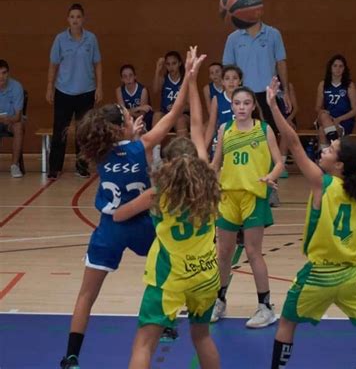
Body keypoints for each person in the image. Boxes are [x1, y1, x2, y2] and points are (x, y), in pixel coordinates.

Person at [58, 50, 194, 369]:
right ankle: (168, 323)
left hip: (109, 229)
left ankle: (71, 356)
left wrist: (128, 133)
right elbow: (174, 114)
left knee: (85, 296)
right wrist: (188, 76)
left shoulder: (100, 153)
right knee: (167, 268)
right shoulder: (141, 145)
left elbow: (121, 150)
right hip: (142, 224)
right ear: (122, 128)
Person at [266, 77, 356, 369]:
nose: (324, 150)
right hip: (353, 275)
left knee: (287, 324)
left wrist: (272, 105)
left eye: (330, 150)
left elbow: (292, 141)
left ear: (339, 165)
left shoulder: (323, 183)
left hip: (320, 274)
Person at [113, 48, 221, 369]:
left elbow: (120, 214)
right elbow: (199, 126)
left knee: (144, 342)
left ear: (168, 162)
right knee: (202, 337)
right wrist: (192, 77)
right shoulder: (210, 182)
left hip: (169, 278)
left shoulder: (159, 193)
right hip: (205, 274)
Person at [210, 85, 284, 328]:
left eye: (246, 103)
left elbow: (279, 162)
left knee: (253, 252)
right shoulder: (224, 129)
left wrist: (271, 175)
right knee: (223, 253)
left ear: (253, 106)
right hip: (228, 197)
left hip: (254, 197)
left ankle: (265, 307)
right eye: (237, 103)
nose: (241, 107)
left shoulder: (264, 129)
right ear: (231, 106)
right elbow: (216, 163)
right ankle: (219, 300)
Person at [46, 3, 103, 179]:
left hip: (86, 92)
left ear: (83, 19)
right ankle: (55, 167)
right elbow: (53, 65)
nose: (75, 20)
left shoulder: (91, 39)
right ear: (68, 20)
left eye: (78, 17)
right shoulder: (60, 39)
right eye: (72, 17)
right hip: (63, 91)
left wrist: (99, 86)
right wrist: (49, 87)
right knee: (60, 130)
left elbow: (97, 63)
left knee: (83, 131)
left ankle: (82, 166)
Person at [222, 20, 291, 133]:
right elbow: (228, 69)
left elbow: (281, 63)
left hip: (269, 94)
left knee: (272, 132)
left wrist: (286, 91)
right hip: (243, 94)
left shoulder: (273, 34)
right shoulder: (233, 38)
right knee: (245, 132)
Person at [315, 54, 356, 152]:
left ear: (344, 68)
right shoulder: (323, 84)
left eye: (341, 66)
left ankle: (327, 158)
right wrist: (327, 116)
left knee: (322, 131)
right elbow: (317, 107)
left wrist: (339, 119)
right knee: (323, 115)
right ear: (330, 68)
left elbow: (355, 110)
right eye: (335, 66)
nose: (337, 69)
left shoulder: (349, 85)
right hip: (328, 119)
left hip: (344, 120)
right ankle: (335, 145)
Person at [204, 65, 242, 154]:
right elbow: (211, 125)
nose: (231, 81)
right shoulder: (217, 99)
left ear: (240, 81)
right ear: (222, 82)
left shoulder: (246, 97)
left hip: (241, 139)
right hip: (222, 140)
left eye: (235, 78)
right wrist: (204, 148)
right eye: (227, 78)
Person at [152, 51, 188, 136]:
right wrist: (158, 70)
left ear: (179, 63)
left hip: (182, 115)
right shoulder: (164, 79)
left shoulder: (185, 80)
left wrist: (177, 108)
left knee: (179, 119)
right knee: (157, 115)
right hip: (166, 114)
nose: (171, 67)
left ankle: (182, 149)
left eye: (174, 63)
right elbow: (155, 90)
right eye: (168, 64)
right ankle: (155, 148)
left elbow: (190, 106)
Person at [0, 59, 24, 178]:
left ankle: (14, 165)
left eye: (4, 73)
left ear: (8, 73)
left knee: (19, 126)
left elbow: (18, 116)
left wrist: (8, 119)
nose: (1, 77)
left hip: (11, 121)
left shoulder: (16, 87)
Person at [115, 64, 153, 131]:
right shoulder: (119, 90)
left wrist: (127, 111)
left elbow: (141, 115)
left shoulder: (143, 90)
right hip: (128, 119)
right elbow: (122, 112)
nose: (128, 78)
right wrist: (139, 108)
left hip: (143, 120)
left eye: (130, 75)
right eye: (125, 76)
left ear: (135, 76)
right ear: (121, 79)